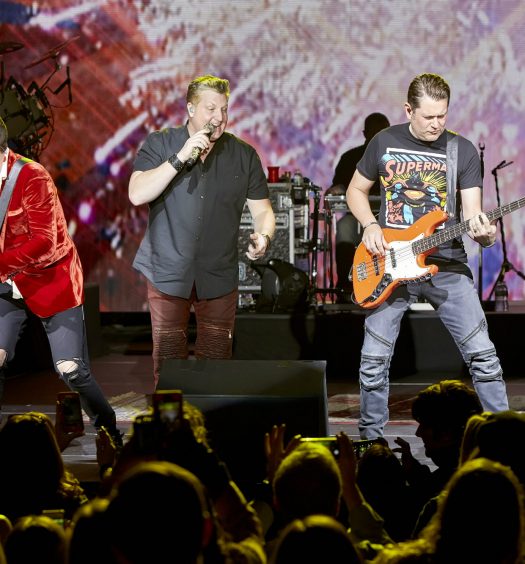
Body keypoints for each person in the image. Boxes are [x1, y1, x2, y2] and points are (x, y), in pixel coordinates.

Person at [346, 73, 508, 439]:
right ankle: (370, 443)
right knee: (374, 361)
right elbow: (356, 190)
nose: (437, 124)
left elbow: (472, 215)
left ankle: (506, 436)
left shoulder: (462, 150)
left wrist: (485, 236)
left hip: (446, 263)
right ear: (408, 110)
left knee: (483, 356)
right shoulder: (384, 142)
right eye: (428, 117)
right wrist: (370, 225)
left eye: (443, 116)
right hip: (389, 263)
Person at [129, 74, 275, 387]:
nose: (219, 118)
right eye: (210, 109)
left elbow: (263, 210)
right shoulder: (161, 142)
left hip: (218, 274)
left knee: (216, 366)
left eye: (224, 109)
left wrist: (263, 235)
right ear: (191, 109)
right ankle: (170, 430)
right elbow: (137, 193)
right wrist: (180, 157)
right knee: (168, 368)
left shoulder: (243, 155)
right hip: (168, 270)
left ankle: (211, 430)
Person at [0, 118, 121, 442]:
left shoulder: (32, 177)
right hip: (5, 284)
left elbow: (44, 242)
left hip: (49, 278)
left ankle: (108, 427)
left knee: (70, 368)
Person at [328, 113, 390, 302]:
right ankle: (347, 286)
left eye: (383, 132)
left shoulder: (397, 158)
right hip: (357, 217)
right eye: (374, 132)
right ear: (365, 134)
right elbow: (338, 187)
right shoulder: (350, 158)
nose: (378, 136)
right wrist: (334, 190)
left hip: (390, 219)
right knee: (345, 228)